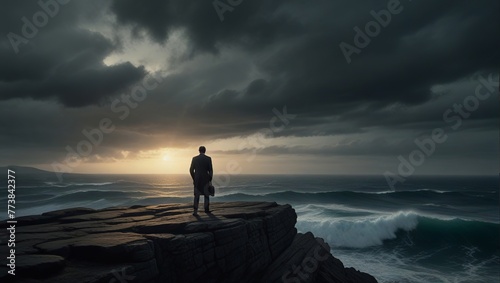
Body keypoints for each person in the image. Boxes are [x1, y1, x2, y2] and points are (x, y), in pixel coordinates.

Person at [189, 146, 213, 215]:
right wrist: (210, 179)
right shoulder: (208, 159)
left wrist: (194, 178)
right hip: (205, 179)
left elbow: (191, 170)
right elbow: (210, 170)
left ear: (199, 151)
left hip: (197, 179)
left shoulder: (194, 158)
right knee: (206, 194)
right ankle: (206, 210)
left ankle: (195, 211)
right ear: (205, 151)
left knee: (197, 195)